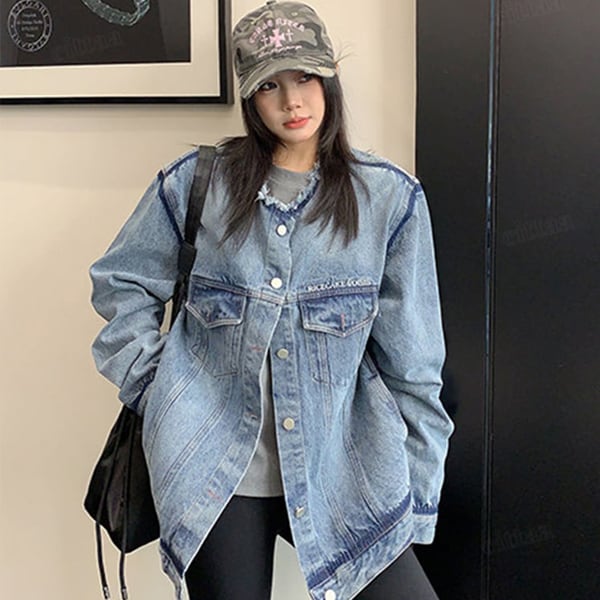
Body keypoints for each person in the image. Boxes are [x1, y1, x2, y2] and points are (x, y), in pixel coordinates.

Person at [89, 2, 454, 599]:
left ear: (330, 76)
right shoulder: (195, 185)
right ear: (249, 98)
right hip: (214, 472)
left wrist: (417, 490)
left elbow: (414, 365)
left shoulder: (389, 201)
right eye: (269, 86)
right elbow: (120, 284)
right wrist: (162, 394)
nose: (292, 101)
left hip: (343, 471)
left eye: (305, 77)